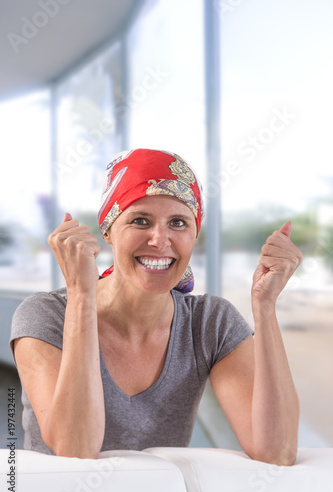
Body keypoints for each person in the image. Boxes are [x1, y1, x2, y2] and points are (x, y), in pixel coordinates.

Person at [10, 148, 302, 464]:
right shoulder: (45, 315)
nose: (160, 240)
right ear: (107, 230)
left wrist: (265, 305)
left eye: (178, 223)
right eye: (140, 220)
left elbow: (276, 450)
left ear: (194, 236)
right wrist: (82, 296)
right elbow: (76, 449)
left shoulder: (211, 323)